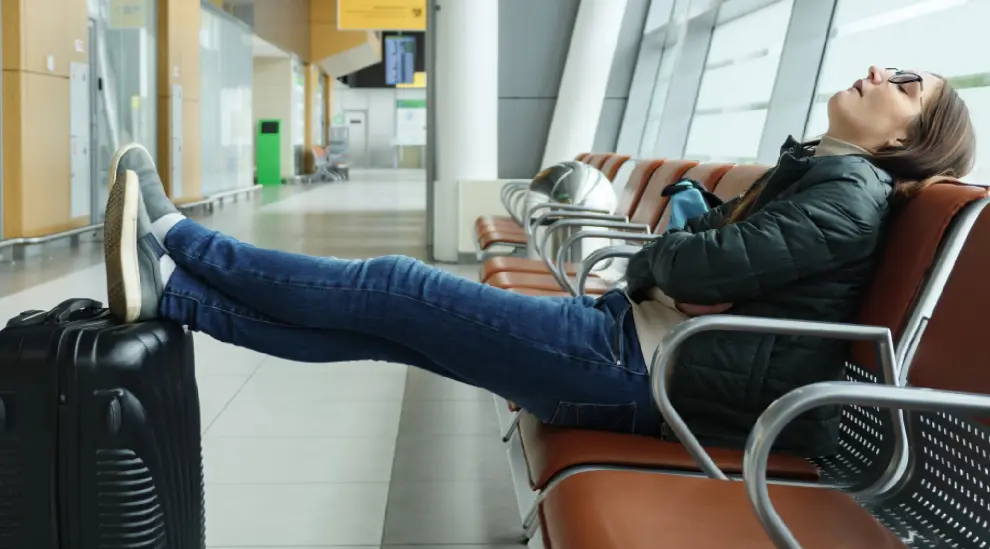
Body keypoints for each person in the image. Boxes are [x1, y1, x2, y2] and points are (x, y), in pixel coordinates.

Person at [103, 66, 975, 457]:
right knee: (385, 328)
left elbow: (692, 269)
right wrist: (676, 256)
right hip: (636, 350)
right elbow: (703, 259)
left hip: (638, 372)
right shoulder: (823, 176)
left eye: (905, 85)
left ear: (909, 139)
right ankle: (174, 296)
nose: (879, 73)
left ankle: (178, 239)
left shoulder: (847, 192)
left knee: (391, 287)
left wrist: (666, 259)